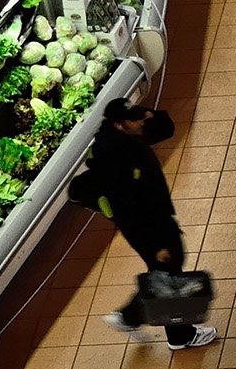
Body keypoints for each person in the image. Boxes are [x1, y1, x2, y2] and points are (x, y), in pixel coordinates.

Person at [68, 101, 216, 351]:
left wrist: (149, 113)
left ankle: (131, 317)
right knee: (168, 272)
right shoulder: (114, 159)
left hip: (157, 219)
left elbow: (166, 128)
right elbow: (128, 210)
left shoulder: (127, 137)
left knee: (167, 270)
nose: (141, 122)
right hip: (148, 229)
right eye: (135, 118)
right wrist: (155, 245)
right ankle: (179, 336)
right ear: (119, 124)